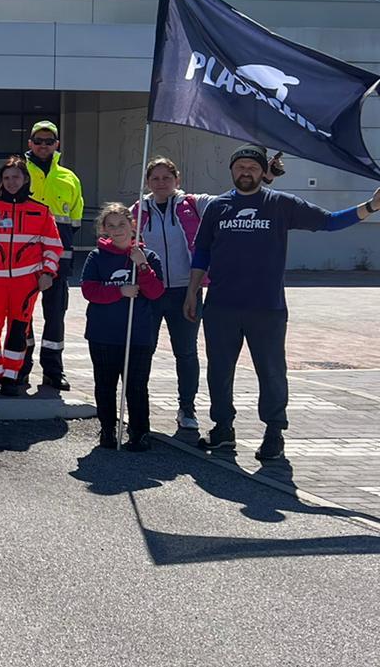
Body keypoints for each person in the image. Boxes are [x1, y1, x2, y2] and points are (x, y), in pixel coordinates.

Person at [185, 145, 380, 461]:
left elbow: (329, 222)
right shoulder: (218, 208)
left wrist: (371, 206)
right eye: (240, 166)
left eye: (252, 167)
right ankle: (223, 429)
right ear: (232, 170)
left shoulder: (281, 204)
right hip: (221, 306)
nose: (246, 172)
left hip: (267, 308)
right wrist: (192, 291)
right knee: (219, 371)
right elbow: (202, 253)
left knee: (272, 372)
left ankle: (274, 433)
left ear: (263, 172)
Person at [0, 156, 61, 396]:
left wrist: (48, 272)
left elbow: (53, 246)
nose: (11, 182)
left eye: (16, 177)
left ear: (25, 179)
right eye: (6, 177)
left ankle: (10, 376)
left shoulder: (40, 211)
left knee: (19, 330)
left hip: (26, 282)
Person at [79, 203, 166, 450]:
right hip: (103, 333)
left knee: (136, 385)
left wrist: (142, 266)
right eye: (111, 225)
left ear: (132, 225)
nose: (117, 230)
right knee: (105, 384)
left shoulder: (148, 257)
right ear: (104, 229)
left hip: (137, 334)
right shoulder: (97, 256)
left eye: (122, 224)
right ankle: (107, 429)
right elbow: (89, 290)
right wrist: (120, 291)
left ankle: (139, 432)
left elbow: (156, 292)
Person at [138, 157, 209, 432]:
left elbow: (232, 199)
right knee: (144, 350)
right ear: (147, 182)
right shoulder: (138, 210)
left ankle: (187, 408)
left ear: (177, 179)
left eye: (166, 178)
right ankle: (138, 406)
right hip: (150, 291)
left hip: (186, 291)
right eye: (155, 178)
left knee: (186, 352)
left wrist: (266, 177)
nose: (161, 183)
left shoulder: (193, 204)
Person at [23, 121, 83, 390]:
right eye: (38, 141)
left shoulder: (69, 178)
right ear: (30, 143)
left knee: (55, 316)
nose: (43, 145)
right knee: (22, 315)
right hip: (23, 257)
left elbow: (75, 221)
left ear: (57, 144)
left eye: (49, 141)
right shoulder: (19, 171)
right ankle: (21, 365)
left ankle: (53, 370)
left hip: (58, 259)